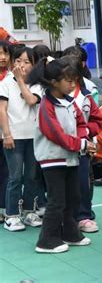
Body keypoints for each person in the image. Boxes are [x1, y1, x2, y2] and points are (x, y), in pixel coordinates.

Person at [30, 56, 96, 253]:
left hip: (70, 157)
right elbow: (57, 135)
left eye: (74, 80)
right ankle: (46, 240)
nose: (72, 84)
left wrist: (85, 139)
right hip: (52, 159)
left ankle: (69, 233)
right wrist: (82, 144)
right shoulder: (46, 106)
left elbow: (81, 123)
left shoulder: (69, 101)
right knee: (57, 200)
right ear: (54, 82)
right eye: (68, 80)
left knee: (72, 197)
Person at [0, 47, 44, 231]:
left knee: (31, 177)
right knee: (15, 177)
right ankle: (11, 215)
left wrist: (21, 81)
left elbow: (31, 101)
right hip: (14, 137)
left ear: (34, 65)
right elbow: (2, 110)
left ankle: (29, 212)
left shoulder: (37, 85)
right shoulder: (5, 83)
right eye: (18, 61)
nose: (21, 65)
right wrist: (7, 135)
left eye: (27, 62)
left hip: (33, 137)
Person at [61, 55, 102, 233]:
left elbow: (96, 120)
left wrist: (88, 133)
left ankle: (84, 215)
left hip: (82, 148)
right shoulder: (54, 96)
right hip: (60, 148)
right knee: (61, 184)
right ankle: (65, 217)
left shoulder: (85, 96)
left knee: (82, 183)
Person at [0, 41, 11, 223]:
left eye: (5, 53)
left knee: (6, 171)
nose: (2, 57)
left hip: (8, 131)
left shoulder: (12, 77)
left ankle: (3, 207)